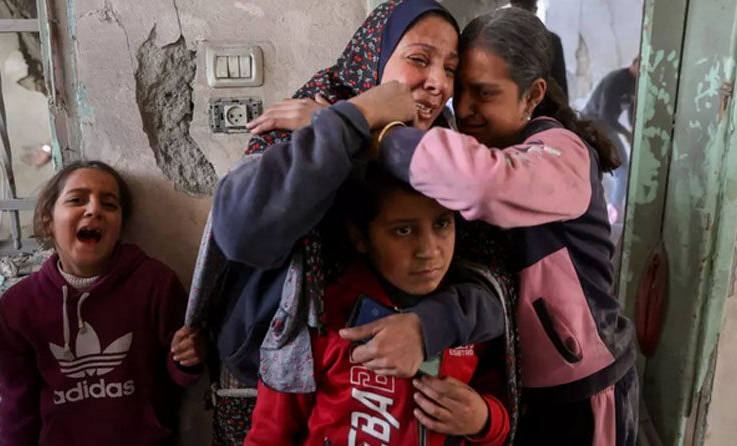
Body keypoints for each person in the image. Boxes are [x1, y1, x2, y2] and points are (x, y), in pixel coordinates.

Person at [198, 1, 518, 443]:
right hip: (279, 383)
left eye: (450, 68)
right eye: (419, 60)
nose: (437, 84)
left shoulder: (446, 150)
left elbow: (495, 283)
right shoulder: (316, 116)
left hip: (408, 384)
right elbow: (240, 232)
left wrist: (431, 327)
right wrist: (353, 118)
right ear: (374, 57)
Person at [366, 8, 638, 445]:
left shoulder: (563, 152)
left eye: (485, 93)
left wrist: (378, 131)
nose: (467, 109)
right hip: (527, 385)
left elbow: (484, 186)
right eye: (462, 90)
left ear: (533, 96)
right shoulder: (481, 142)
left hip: (584, 389)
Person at [243, 163, 511, 446]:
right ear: (360, 237)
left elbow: (501, 413)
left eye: (442, 224)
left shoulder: (471, 316)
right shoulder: (321, 315)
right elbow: (269, 435)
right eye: (404, 230)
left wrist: (484, 420)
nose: (429, 251)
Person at [0, 160, 205, 446]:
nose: (94, 210)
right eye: (77, 200)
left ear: (121, 225)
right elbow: (17, 403)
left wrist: (189, 357)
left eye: (109, 204)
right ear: (47, 220)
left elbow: (181, 377)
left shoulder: (155, 283)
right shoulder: (19, 305)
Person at [582, 57, 639, 220]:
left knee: (621, 169)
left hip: (605, 126)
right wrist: (626, 133)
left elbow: (632, 110)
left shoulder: (637, 83)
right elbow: (605, 115)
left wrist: (633, 128)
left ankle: (614, 209)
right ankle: (612, 212)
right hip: (593, 124)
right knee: (620, 168)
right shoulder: (615, 79)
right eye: (641, 66)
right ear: (634, 63)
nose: (643, 71)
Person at [510, 0, 569, 99]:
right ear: (535, 10)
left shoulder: (503, 40)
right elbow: (561, 92)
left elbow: (561, 91)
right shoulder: (551, 40)